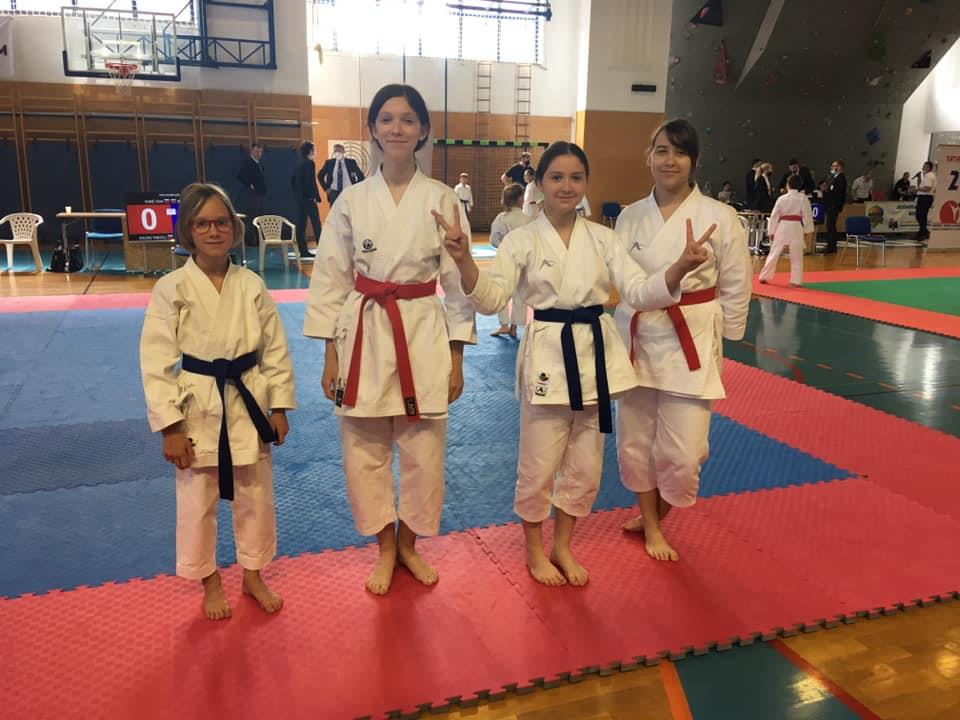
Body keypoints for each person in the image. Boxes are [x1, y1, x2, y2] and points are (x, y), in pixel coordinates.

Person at [442, 140, 710, 587]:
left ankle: (563, 546)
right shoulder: (523, 239)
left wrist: (678, 268)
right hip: (548, 352)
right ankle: (534, 550)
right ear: (540, 183)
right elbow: (491, 300)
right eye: (556, 177)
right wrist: (465, 261)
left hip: (594, 356)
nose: (566, 186)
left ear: (586, 182)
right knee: (539, 463)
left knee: (585, 467)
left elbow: (639, 291)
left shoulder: (603, 238)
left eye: (576, 177)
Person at [303, 84, 476, 596]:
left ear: (423, 130)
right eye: (386, 119)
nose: (396, 128)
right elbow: (330, 279)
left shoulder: (442, 198)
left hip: (423, 329)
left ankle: (409, 545)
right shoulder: (352, 200)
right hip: (365, 331)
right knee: (364, 449)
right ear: (373, 130)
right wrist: (330, 356)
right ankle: (384, 547)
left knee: (424, 452)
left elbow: (457, 284)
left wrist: (457, 357)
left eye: (407, 119)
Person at [140, 182, 295, 621]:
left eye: (221, 222)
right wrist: (170, 426)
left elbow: (275, 349)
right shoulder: (171, 287)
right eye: (202, 223)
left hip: (248, 400)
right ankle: (209, 581)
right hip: (198, 407)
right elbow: (155, 361)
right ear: (188, 231)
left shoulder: (252, 285)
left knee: (256, 497)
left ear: (234, 227)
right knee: (197, 502)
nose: (213, 231)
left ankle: (253, 574)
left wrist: (279, 406)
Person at [615, 118, 751, 562]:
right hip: (637, 333)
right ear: (648, 157)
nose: (669, 160)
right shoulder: (631, 217)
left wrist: (727, 337)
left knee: (687, 451)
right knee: (636, 441)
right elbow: (623, 280)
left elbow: (737, 282)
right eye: (661, 150)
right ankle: (651, 524)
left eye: (679, 152)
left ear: (694, 160)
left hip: (691, 334)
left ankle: (659, 514)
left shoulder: (720, 216)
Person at [488, 183, 530, 338]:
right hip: (523, 259)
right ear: (519, 199)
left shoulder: (502, 218)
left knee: (502, 292)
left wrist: (504, 247)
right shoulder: (528, 219)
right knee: (520, 294)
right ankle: (514, 327)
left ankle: (504, 325)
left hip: (505, 260)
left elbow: (493, 240)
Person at [759, 174, 814, 287]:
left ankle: (764, 276)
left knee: (774, 252)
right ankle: (795, 280)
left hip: (783, 226)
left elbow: (774, 216)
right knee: (797, 255)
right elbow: (807, 215)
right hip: (796, 227)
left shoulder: (782, 198)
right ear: (800, 186)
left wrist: (771, 231)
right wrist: (807, 231)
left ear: (787, 185)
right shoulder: (803, 198)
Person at [292, 141, 321, 258]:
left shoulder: (298, 163)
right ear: (310, 151)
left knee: (301, 225)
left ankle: (302, 250)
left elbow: (292, 181)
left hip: (300, 199)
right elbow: (310, 182)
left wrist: (298, 195)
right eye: (314, 149)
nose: (315, 151)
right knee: (316, 224)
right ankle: (322, 248)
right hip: (308, 199)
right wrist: (313, 196)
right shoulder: (309, 163)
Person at [236, 142, 266, 247]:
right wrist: (249, 185)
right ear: (252, 151)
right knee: (252, 217)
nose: (259, 154)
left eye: (260, 152)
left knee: (260, 217)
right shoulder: (248, 162)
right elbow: (240, 175)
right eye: (257, 151)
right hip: (253, 194)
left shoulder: (259, 163)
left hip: (260, 193)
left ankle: (259, 239)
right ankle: (251, 240)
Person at [822, 159, 847, 254]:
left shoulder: (841, 178)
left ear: (839, 167)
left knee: (831, 226)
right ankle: (831, 245)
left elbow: (837, 194)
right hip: (830, 205)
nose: (832, 168)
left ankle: (831, 246)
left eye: (834, 166)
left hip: (833, 206)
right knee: (830, 226)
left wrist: (827, 191)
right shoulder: (834, 178)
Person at [915, 161, 936, 241]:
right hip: (925, 197)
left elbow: (927, 188)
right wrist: (919, 177)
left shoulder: (929, 176)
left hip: (925, 197)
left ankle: (924, 232)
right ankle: (922, 233)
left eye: (925, 166)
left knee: (919, 215)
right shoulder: (927, 175)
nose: (923, 167)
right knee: (922, 216)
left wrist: (917, 189)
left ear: (929, 167)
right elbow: (921, 186)